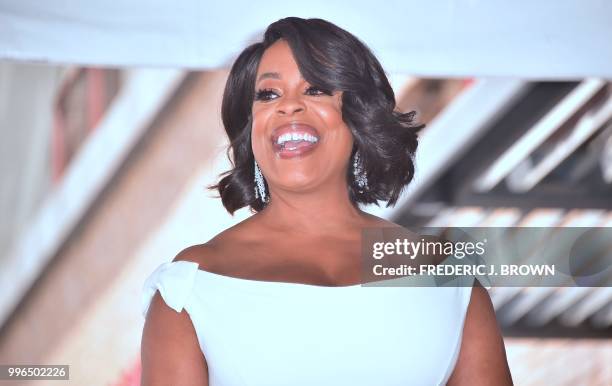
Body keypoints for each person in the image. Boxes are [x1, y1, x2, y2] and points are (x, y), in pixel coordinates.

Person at [140, 16, 513, 385]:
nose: (289, 106)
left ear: (358, 115)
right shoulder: (193, 287)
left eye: (316, 89)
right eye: (269, 94)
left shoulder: (450, 281)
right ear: (251, 128)